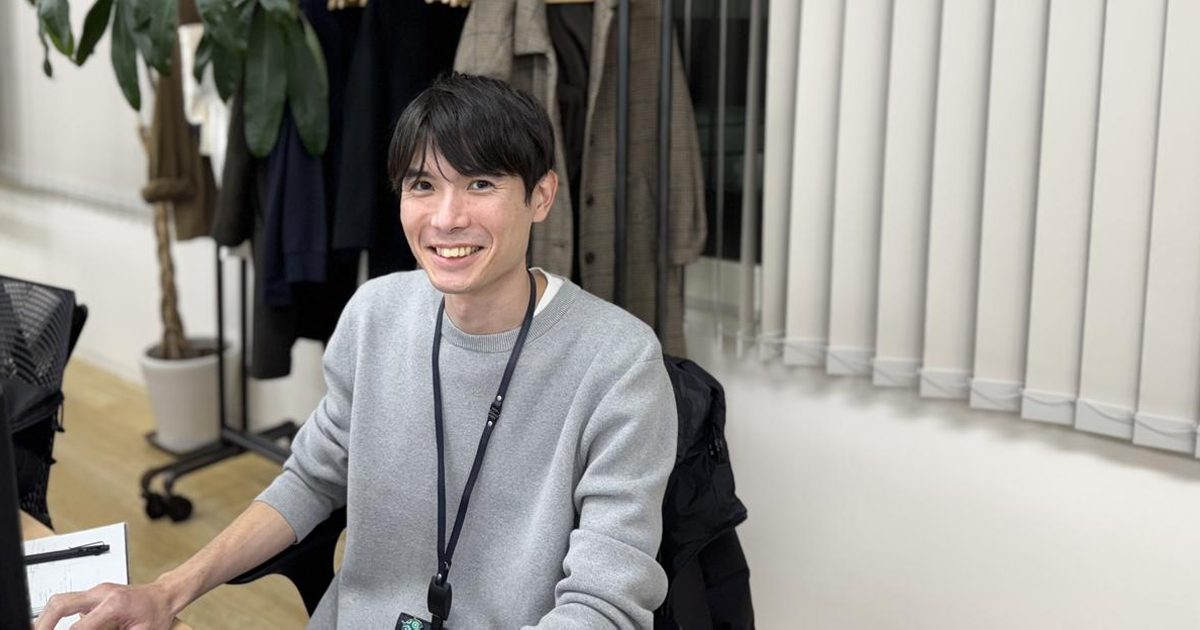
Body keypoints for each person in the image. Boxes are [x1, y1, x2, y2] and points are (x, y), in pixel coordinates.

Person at [36, 73, 678, 629]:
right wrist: (168, 589)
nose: (446, 218)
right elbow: (310, 478)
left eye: (481, 184)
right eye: (422, 185)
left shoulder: (618, 363)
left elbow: (603, 604)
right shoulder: (376, 314)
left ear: (541, 196)